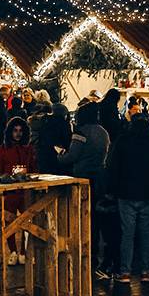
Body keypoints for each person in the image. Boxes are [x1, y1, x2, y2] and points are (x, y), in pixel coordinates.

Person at [108, 112, 149, 283]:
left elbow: (112, 164)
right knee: (146, 233)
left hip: (126, 192)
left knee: (127, 233)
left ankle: (125, 272)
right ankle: (146, 271)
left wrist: (113, 187)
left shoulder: (123, 140)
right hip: (148, 191)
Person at [59, 101, 114, 277]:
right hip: (100, 177)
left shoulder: (81, 133)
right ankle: (97, 253)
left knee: (83, 215)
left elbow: (72, 156)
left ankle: (84, 251)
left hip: (82, 177)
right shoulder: (104, 132)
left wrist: (60, 155)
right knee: (97, 216)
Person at [0, 117, 38, 262]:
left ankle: (24, 252)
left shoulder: (29, 149)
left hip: (26, 192)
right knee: (9, 224)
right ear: (10, 132)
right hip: (10, 193)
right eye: (15, 130)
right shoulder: (1, 150)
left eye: (20, 131)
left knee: (28, 223)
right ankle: (12, 251)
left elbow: (34, 169)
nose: (18, 134)